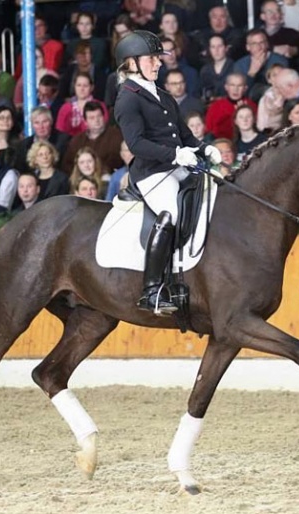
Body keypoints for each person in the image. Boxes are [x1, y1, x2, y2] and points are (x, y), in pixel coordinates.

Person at [113, 30, 221, 314]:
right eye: (152, 59)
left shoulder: (161, 94)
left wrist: (203, 149)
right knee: (170, 211)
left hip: (178, 166)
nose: (159, 63)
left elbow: (184, 135)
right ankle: (151, 290)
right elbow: (136, 144)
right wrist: (174, 155)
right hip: (152, 173)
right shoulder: (127, 98)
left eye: (158, 59)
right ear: (131, 62)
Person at [61, 101, 124, 176]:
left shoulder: (117, 136)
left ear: (104, 117)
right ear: (85, 121)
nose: (96, 120)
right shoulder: (77, 141)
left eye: (99, 116)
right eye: (92, 118)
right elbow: (67, 165)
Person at [55, 73, 108, 138]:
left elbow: (105, 126)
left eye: (85, 86)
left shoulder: (100, 105)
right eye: (79, 85)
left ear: (91, 88)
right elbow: (60, 130)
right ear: (74, 87)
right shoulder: (65, 108)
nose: (82, 89)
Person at [206, 72, 257, 139]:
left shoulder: (251, 105)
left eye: (240, 86)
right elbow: (209, 129)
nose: (235, 89)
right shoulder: (216, 106)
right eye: (232, 85)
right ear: (226, 87)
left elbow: (256, 128)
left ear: (245, 88)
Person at [199, 34, 235, 102]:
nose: (216, 50)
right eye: (213, 47)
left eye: (220, 46)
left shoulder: (235, 67)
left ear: (226, 48)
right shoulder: (205, 70)